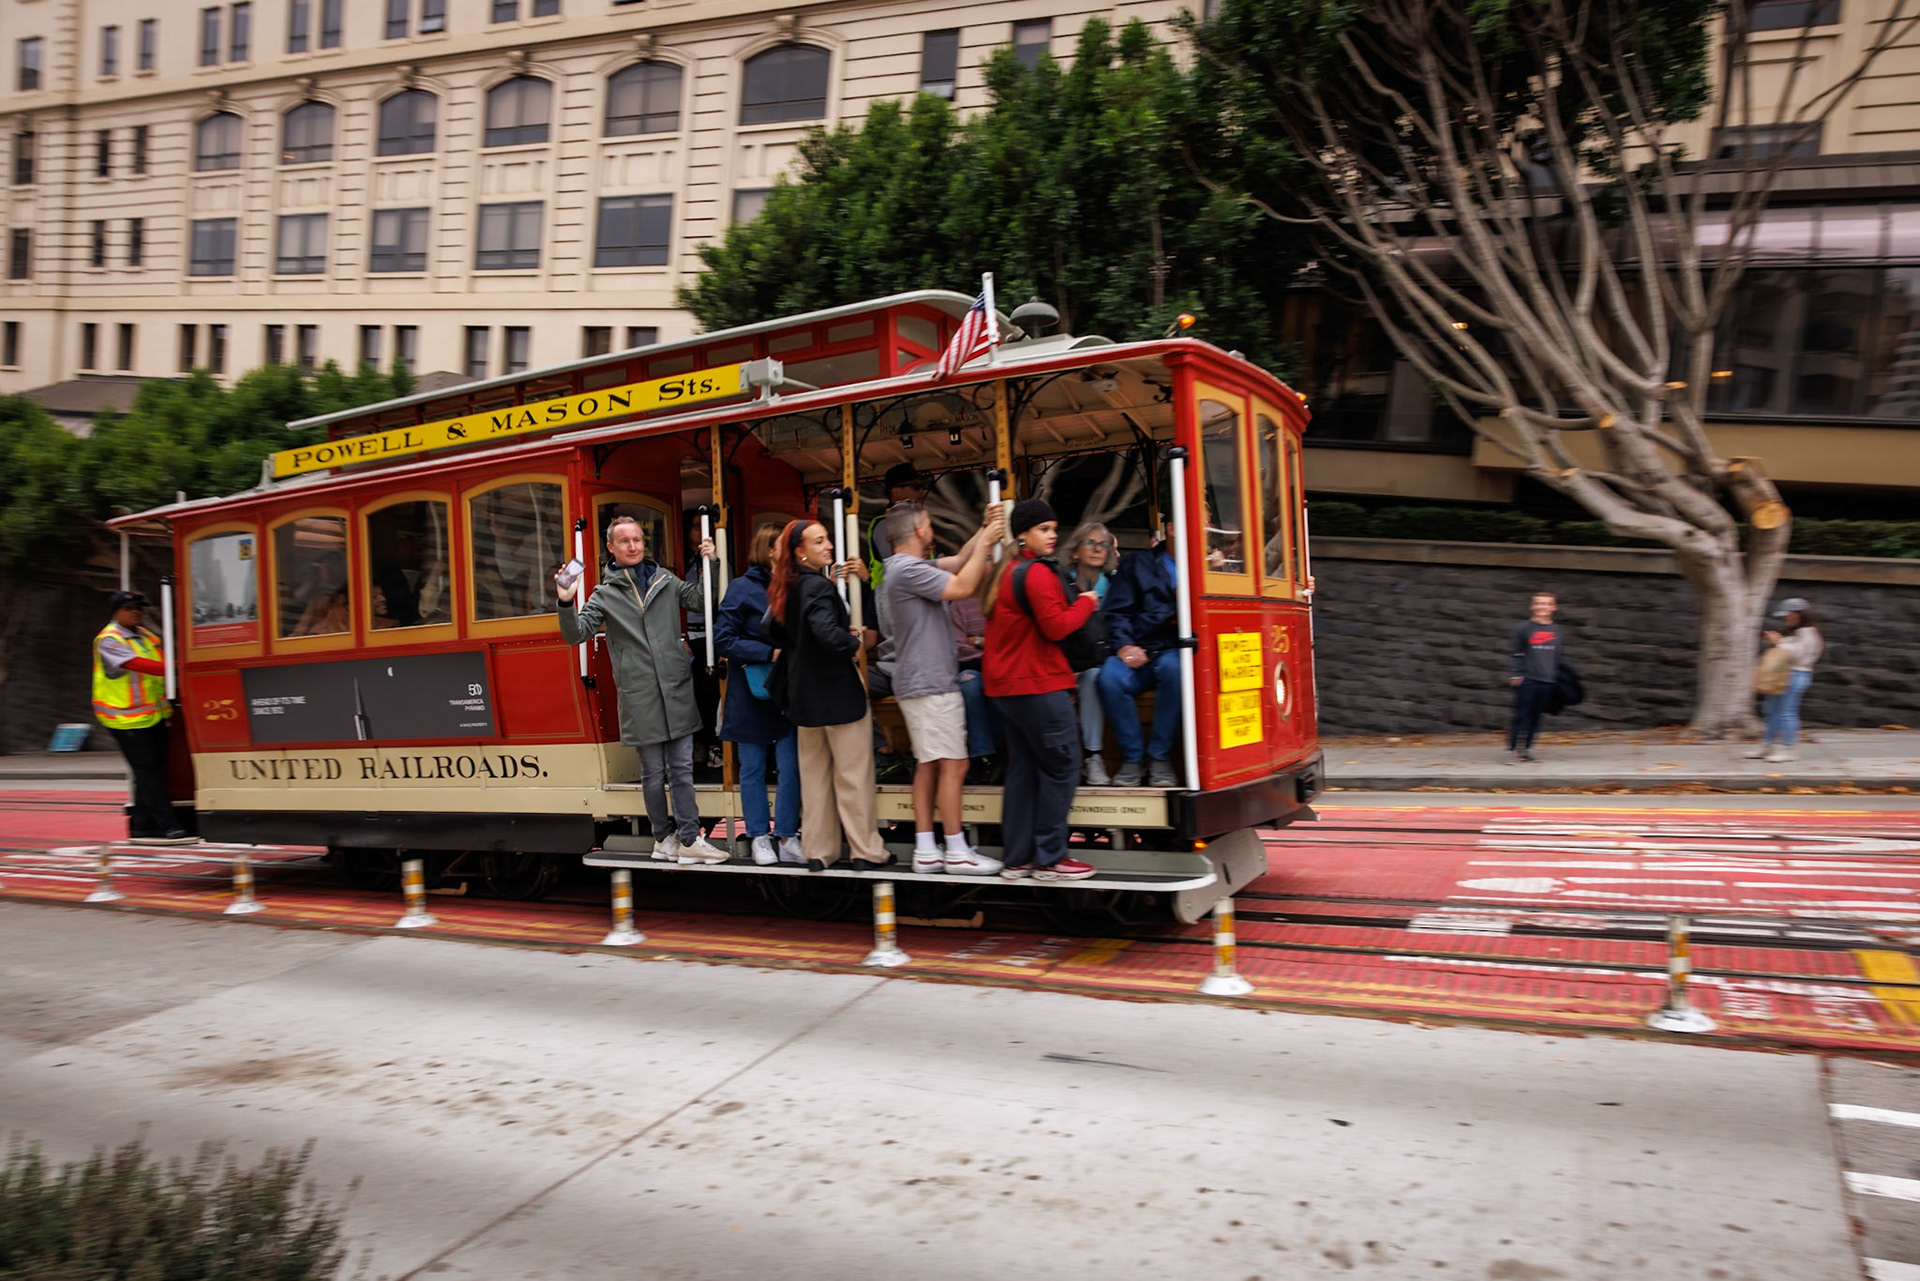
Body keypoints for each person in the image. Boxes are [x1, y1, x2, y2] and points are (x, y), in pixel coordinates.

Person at [557, 514, 725, 863]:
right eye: (624, 541)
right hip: (641, 694)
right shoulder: (603, 594)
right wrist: (564, 601)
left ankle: (690, 839)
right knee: (651, 772)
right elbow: (576, 634)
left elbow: (700, 601)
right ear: (611, 547)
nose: (633, 546)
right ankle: (663, 838)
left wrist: (711, 563)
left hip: (675, 688)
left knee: (681, 769)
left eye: (637, 540)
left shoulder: (665, 579)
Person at [879, 499, 1006, 876]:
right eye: (930, 524)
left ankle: (926, 848)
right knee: (955, 763)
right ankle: (955, 849)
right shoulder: (906, 570)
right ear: (919, 530)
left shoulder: (907, 567)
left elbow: (957, 561)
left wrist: (984, 529)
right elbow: (965, 583)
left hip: (922, 680)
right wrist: (989, 539)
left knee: (931, 766)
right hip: (930, 682)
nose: (932, 530)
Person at [982, 498, 1100, 881]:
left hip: (1006, 687)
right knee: (1062, 765)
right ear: (1023, 534)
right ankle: (1051, 858)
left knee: (1024, 770)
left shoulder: (1005, 573)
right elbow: (1056, 627)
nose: (1052, 536)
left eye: (1053, 528)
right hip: (1039, 684)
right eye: (1044, 529)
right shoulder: (1037, 573)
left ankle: (1017, 860)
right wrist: (1086, 603)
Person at [766, 518, 891, 871]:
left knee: (816, 780)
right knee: (853, 778)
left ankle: (819, 852)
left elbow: (776, 631)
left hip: (804, 699)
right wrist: (852, 642)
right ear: (800, 551)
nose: (829, 546)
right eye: (819, 541)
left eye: (827, 540)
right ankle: (866, 851)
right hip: (838, 695)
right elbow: (823, 631)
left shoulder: (786, 586)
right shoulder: (818, 588)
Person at [714, 523, 804, 866]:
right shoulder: (741, 588)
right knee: (751, 768)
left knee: (790, 765)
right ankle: (759, 837)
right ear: (768, 551)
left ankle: (787, 835)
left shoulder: (796, 584)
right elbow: (723, 639)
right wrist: (770, 653)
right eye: (784, 546)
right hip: (752, 689)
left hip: (786, 688)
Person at [93, 590, 194, 845]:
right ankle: (169, 824)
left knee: (150, 771)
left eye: (139, 607)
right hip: (125, 718)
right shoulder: (109, 639)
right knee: (148, 771)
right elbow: (138, 665)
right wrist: (181, 669)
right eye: (130, 608)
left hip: (153, 714)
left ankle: (140, 825)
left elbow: (158, 665)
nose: (136, 611)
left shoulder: (146, 636)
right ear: (117, 611)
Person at [1096, 522, 1185, 787]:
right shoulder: (1137, 564)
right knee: (1109, 678)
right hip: (1140, 647)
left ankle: (1160, 757)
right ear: (1172, 527)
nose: (1206, 530)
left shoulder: (1210, 568)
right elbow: (1116, 612)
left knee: (1175, 671)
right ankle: (1132, 758)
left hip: (1177, 650)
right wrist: (1124, 645)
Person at [1064, 522, 1116, 784]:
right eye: (1090, 543)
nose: (1098, 548)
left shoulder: (1115, 587)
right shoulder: (1062, 585)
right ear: (1075, 551)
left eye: (1103, 544)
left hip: (1104, 663)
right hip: (1066, 663)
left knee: (1094, 677)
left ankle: (1093, 756)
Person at [1749, 597, 1823, 763]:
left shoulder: (1808, 633)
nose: (1784, 618)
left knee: (1786, 712)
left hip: (1797, 674)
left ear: (1798, 614)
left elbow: (1798, 655)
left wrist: (1779, 642)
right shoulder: (1796, 632)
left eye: (1787, 615)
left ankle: (1788, 748)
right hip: (1783, 674)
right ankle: (1767, 744)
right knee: (1771, 711)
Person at [1506, 591, 1562, 764]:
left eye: (1546, 604)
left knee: (1537, 718)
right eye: (1538, 603)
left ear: (1553, 607)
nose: (1542, 607)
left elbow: (1557, 657)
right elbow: (1516, 653)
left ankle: (1527, 750)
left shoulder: (1556, 630)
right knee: (1521, 716)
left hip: (1547, 681)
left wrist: (1557, 677)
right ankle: (1513, 751)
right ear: (1532, 606)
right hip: (1528, 680)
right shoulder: (1523, 628)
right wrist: (1516, 674)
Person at [866, 463, 930, 581]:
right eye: (916, 487)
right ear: (896, 492)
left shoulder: (915, 520)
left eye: (923, 486)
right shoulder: (885, 524)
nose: (922, 492)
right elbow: (899, 567)